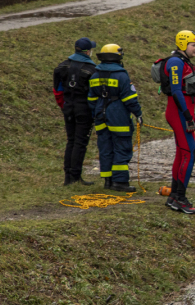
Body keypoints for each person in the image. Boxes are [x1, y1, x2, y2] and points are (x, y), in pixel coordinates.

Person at [88, 43, 142, 193]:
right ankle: (120, 182)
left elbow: (91, 99)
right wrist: (138, 114)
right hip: (118, 115)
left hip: (100, 115)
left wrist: (96, 113)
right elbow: (130, 99)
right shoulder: (122, 75)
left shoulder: (95, 75)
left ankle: (108, 180)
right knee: (122, 147)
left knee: (105, 148)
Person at [162, 30, 195, 214]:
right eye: (193, 45)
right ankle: (180, 198)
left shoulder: (183, 61)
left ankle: (173, 197)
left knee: (182, 152)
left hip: (184, 112)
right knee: (190, 153)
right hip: (179, 113)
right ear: (183, 44)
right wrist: (187, 117)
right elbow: (177, 91)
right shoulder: (176, 63)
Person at [53, 37, 98, 185]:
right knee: (80, 142)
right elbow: (93, 94)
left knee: (71, 141)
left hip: (68, 107)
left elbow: (57, 91)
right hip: (83, 109)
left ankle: (68, 177)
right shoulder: (92, 70)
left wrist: (64, 106)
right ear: (87, 51)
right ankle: (75, 176)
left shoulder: (61, 67)